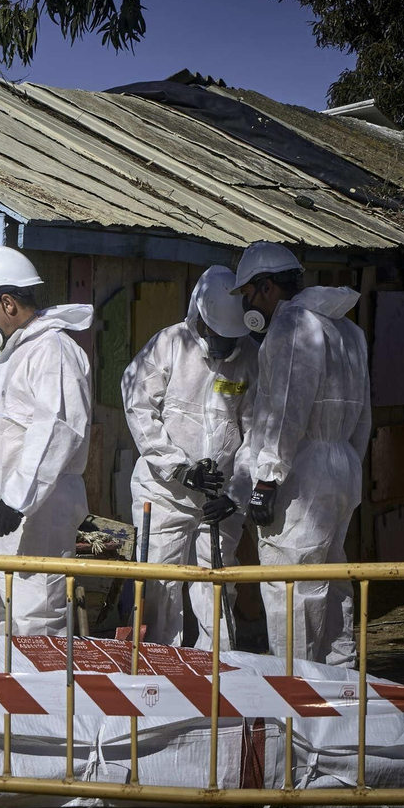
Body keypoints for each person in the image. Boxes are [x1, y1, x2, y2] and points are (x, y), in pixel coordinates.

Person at [230, 241, 371, 667]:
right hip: (341, 464)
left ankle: (294, 695)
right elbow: (364, 414)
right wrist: (350, 463)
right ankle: (342, 683)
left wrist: (267, 479)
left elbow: (285, 406)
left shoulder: (292, 323)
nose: (248, 307)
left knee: (289, 584)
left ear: (267, 287)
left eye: (248, 296)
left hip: (301, 473)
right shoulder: (348, 329)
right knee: (330, 576)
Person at [0, 246, 94, 636]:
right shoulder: (20, 350)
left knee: (35, 613)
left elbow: (57, 428)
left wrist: (19, 497)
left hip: (39, 506)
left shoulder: (53, 349)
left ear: (7, 303)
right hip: (4, 501)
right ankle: (5, 666)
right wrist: (7, 498)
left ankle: (40, 689)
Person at [121, 265, 257, 649]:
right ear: (198, 318)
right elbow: (139, 407)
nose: (221, 345)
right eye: (216, 335)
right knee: (159, 586)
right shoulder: (169, 345)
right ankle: (158, 677)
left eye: (230, 338)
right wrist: (180, 468)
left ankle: (221, 677)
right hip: (164, 494)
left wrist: (236, 495)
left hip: (219, 498)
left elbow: (256, 433)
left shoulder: (250, 358)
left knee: (216, 588)